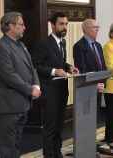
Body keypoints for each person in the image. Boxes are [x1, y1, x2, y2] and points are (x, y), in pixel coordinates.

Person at [0, 12, 41, 158]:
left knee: (17, 145)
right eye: (21, 24)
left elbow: (32, 68)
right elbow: (9, 76)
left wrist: (36, 85)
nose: (24, 28)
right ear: (10, 26)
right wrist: (29, 89)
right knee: (8, 147)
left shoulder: (21, 45)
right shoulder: (1, 47)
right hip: (8, 106)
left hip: (22, 103)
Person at [31, 12, 79, 158]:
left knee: (59, 126)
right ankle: (49, 155)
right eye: (61, 24)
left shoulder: (62, 42)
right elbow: (36, 65)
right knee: (50, 128)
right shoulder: (43, 43)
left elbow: (59, 62)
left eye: (66, 24)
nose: (64, 27)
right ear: (52, 25)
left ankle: (57, 153)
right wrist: (53, 71)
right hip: (49, 92)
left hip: (62, 91)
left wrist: (69, 67)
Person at [73, 19, 106, 93]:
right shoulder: (79, 46)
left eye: (98, 27)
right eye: (95, 27)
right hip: (88, 87)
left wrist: (103, 82)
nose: (97, 29)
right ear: (86, 29)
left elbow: (103, 66)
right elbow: (81, 70)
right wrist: (94, 85)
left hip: (101, 86)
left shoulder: (98, 45)